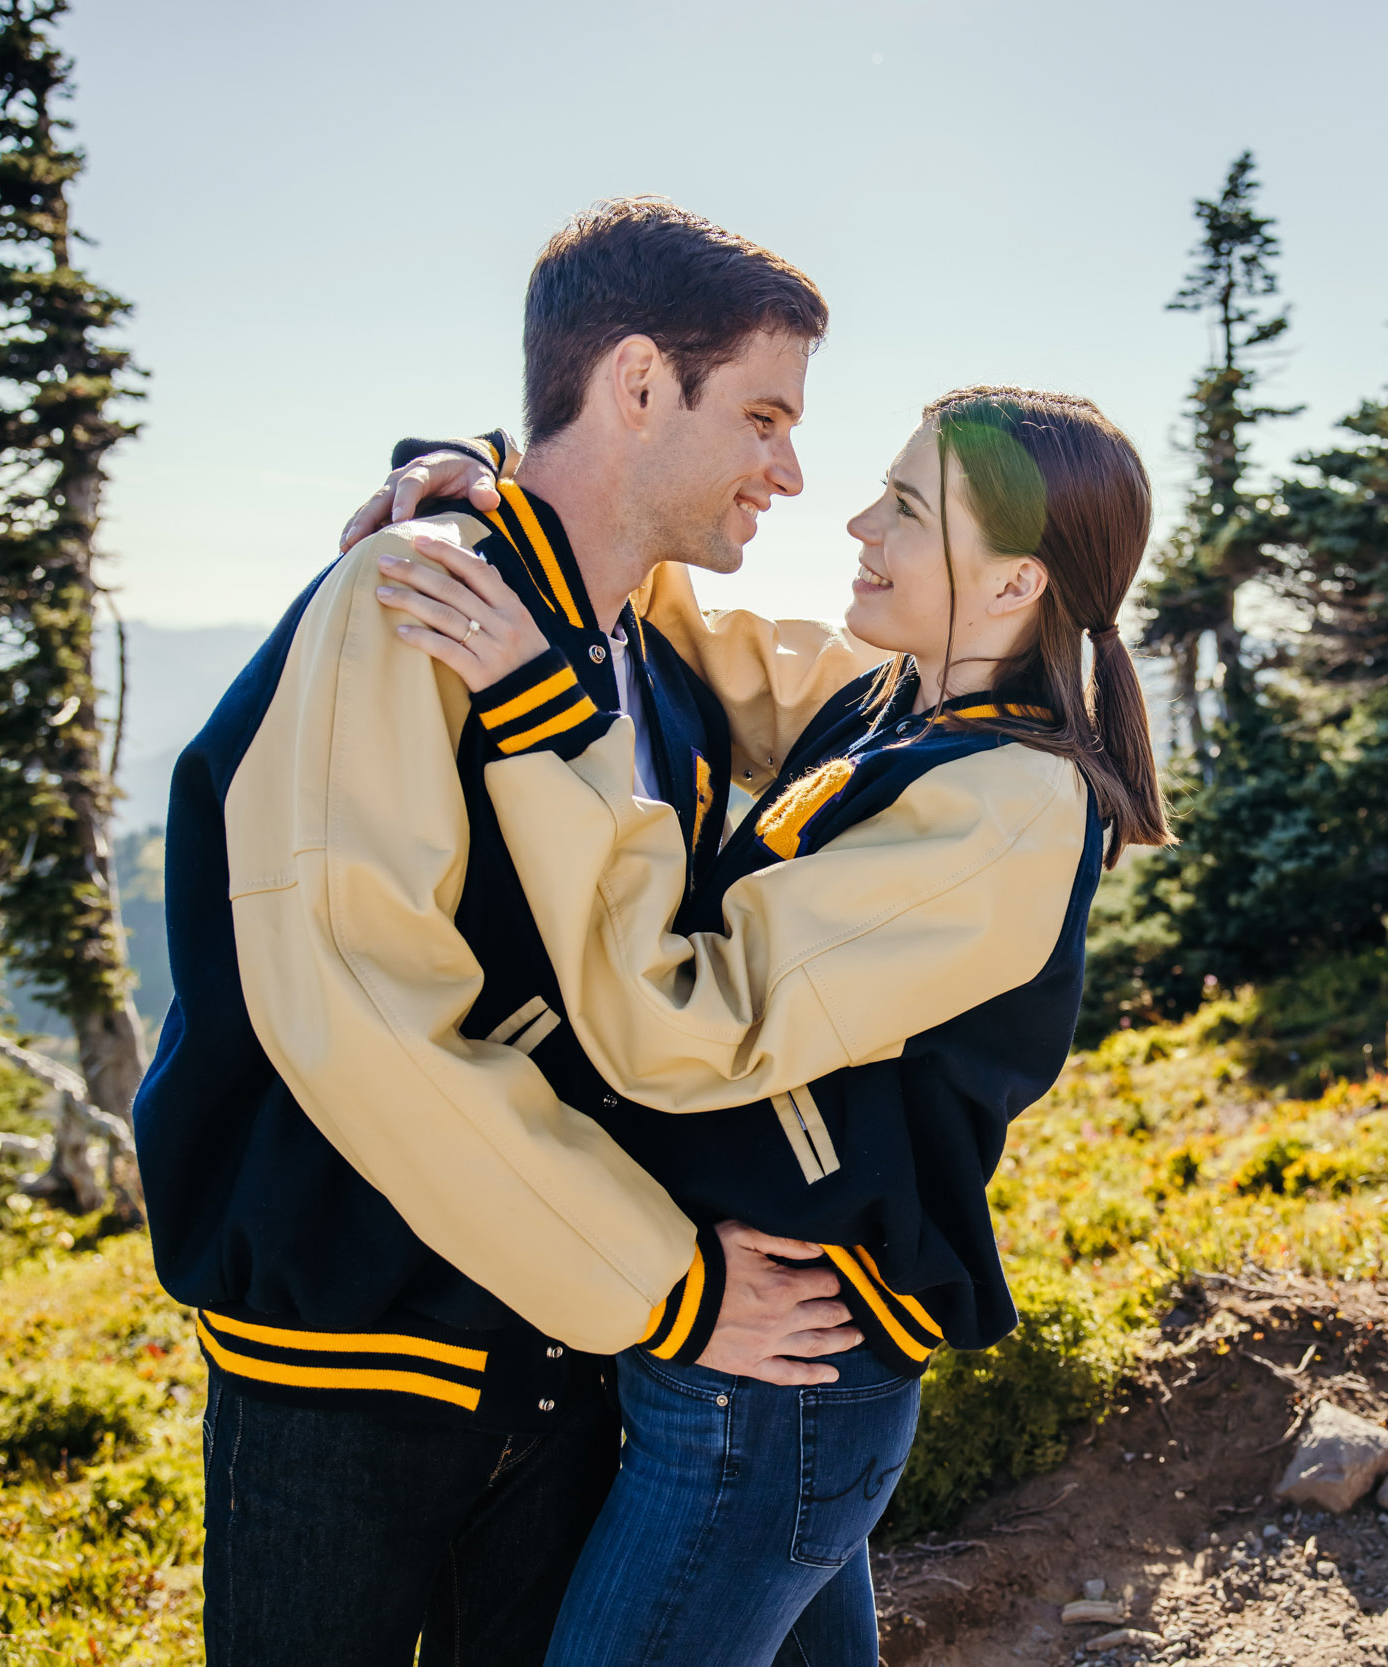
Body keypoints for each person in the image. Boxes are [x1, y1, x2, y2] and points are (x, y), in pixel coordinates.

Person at [130, 199, 866, 1667]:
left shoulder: (638, 635)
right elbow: (358, 995)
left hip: (565, 1350)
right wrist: (678, 1283)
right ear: (641, 382)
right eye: (767, 416)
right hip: (356, 1367)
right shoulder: (408, 596)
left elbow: (897, 697)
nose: (791, 469)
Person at [355, 386, 1171, 1665]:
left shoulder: (1001, 807)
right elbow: (688, 630)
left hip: (777, 1386)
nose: (856, 521)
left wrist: (532, 720)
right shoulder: (898, 700)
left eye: (904, 509)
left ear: (1012, 586)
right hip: (759, 1368)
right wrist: (510, 482)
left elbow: (681, 1022)